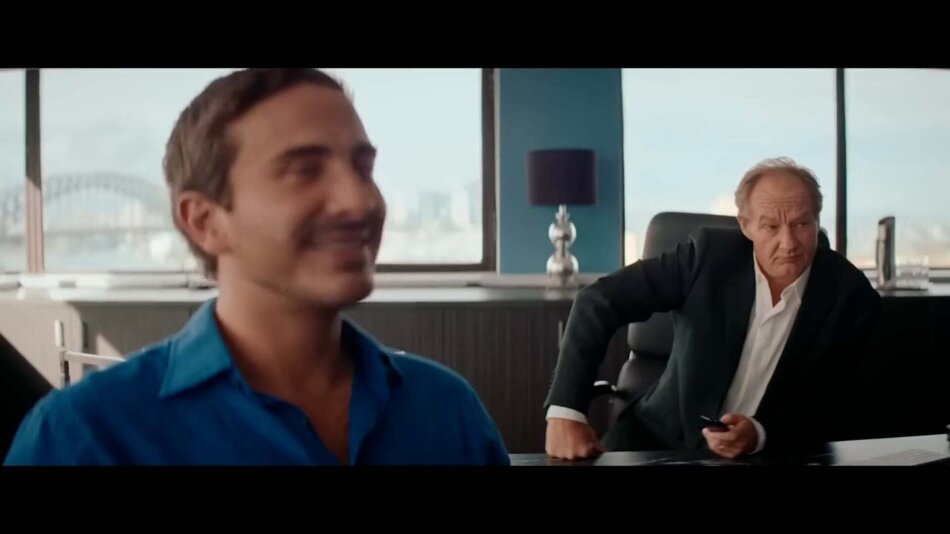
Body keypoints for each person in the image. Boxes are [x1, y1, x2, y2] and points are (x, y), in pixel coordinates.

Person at [5, 68, 509, 465]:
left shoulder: (448, 410)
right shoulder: (82, 436)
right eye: (304, 170)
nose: (360, 201)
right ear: (203, 221)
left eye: (363, 167)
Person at [544, 157, 881, 459]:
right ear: (746, 225)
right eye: (770, 226)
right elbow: (599, 300)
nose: (788, 243)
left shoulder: (850, 295)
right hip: (658, 438)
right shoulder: (707, 257)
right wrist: (565, 412)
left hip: (772, 453)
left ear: (817, 221)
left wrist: (759, 434)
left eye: (802, 224)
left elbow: (836, 405)